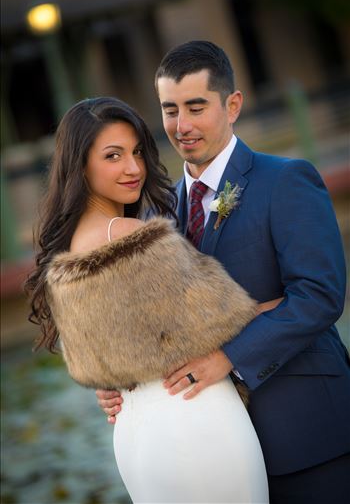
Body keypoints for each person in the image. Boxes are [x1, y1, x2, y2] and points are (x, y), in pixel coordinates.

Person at [96, 41, 350, 504]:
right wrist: (121, 381)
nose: (182, 125)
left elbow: (320, 295)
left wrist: (228, 355)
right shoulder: (155, 216)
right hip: (214, 450)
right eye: (170, 109)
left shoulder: (287, 179)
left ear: (232, 105)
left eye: (196, 106)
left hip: (309, 432)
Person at [25, 96, 279, 503]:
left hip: (135, 434)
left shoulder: (64, 257)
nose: (134, 168)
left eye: (137, 151)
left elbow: (107, 360)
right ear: (81, 166)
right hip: (194, 419)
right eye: (113, 156)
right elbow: (233, 321)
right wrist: (287, 299)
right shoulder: (132, 235)